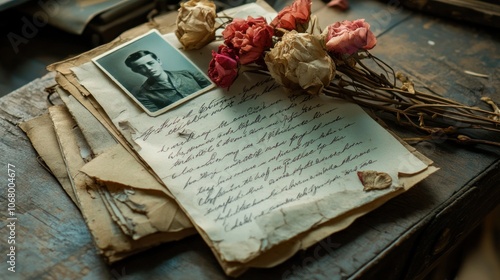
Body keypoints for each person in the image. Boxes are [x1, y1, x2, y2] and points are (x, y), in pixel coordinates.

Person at [125, 50, 211, 112]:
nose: (149, 69)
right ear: (136, 71)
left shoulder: (188, 73)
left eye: (150, 63)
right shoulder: (143, 95)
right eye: (141, 67)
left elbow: (212, 90)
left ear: (159, 61)